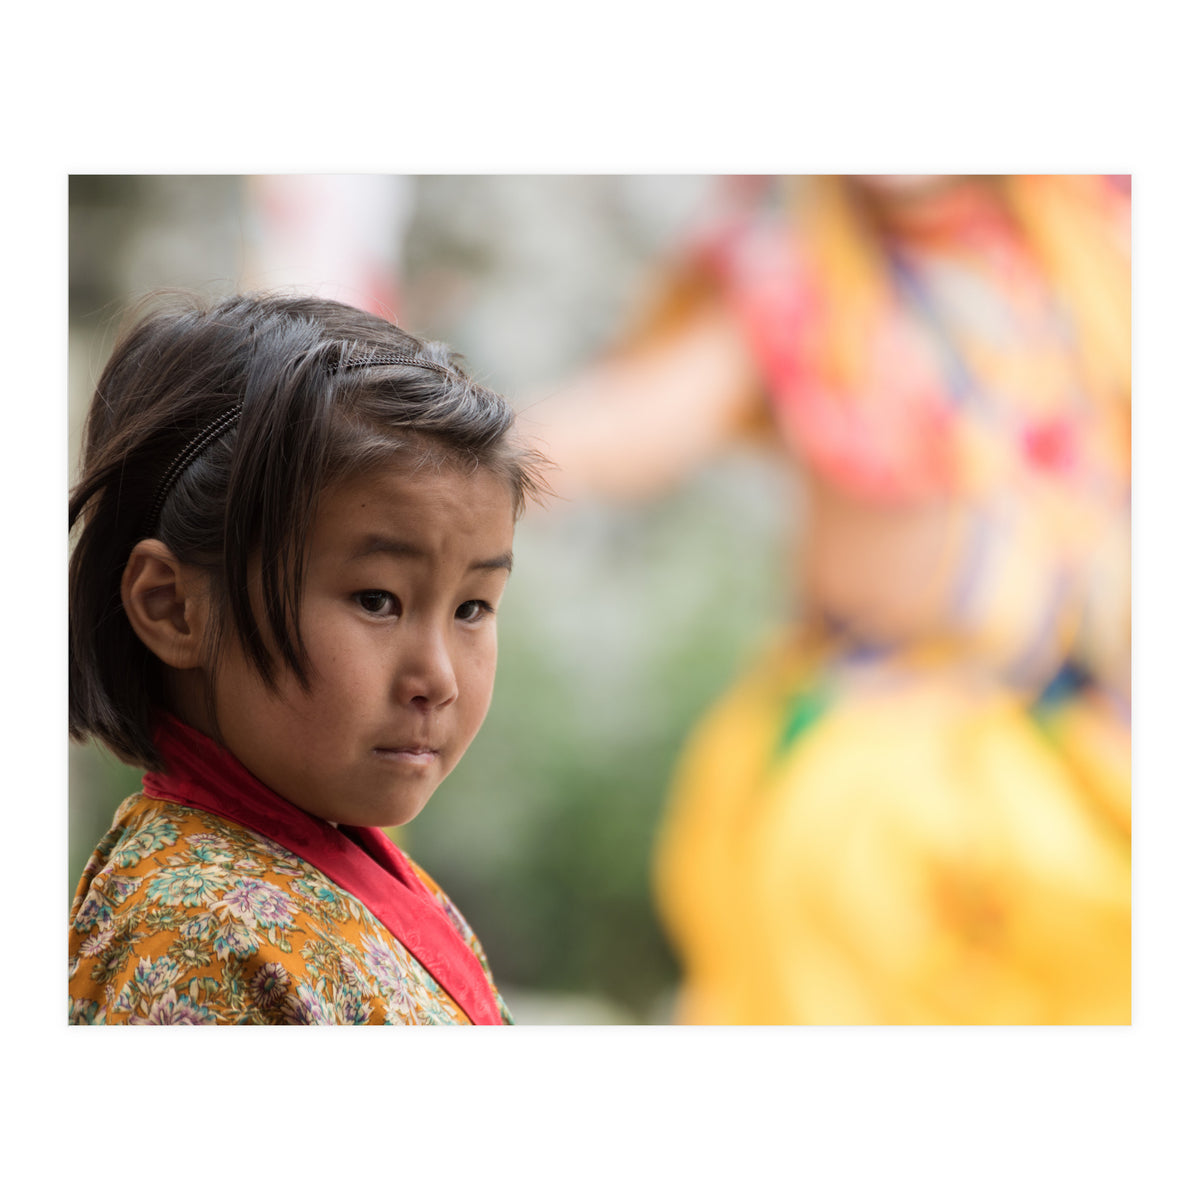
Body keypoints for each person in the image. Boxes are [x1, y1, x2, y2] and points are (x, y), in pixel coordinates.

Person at [527, 175, 1130, 1023]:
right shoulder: (793, 279)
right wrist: (449, 462)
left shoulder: (1101, 262)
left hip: (1089, 760)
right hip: (880, 774)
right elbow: (630, 427)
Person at [68, 292, 546, 1025]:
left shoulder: (349, 869)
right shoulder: (199, 938)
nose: (439, 679)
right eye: (377, 600)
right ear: (172, 606)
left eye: (471, 608)